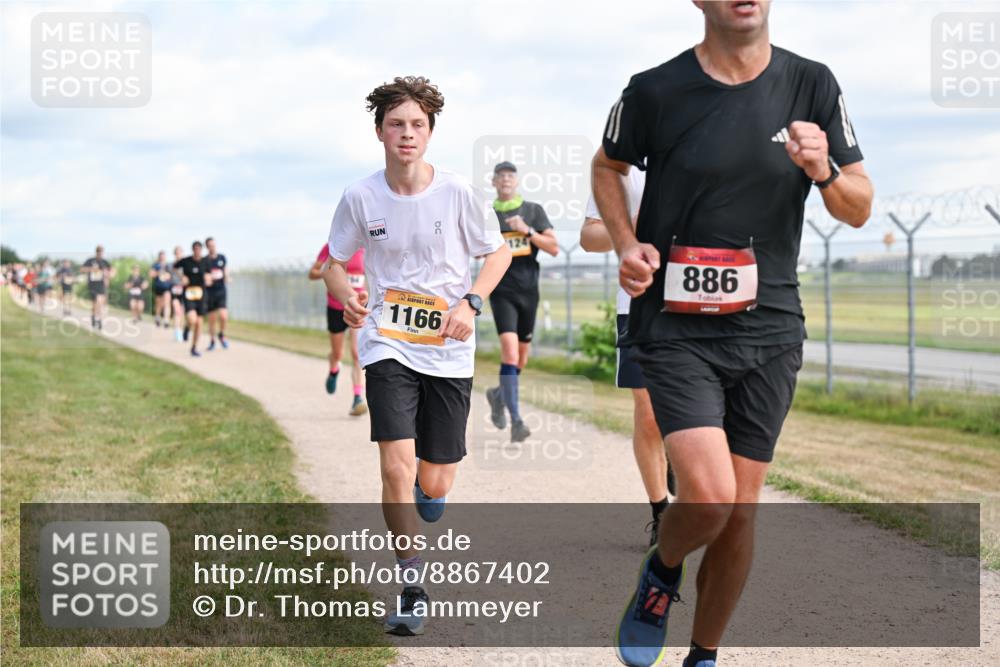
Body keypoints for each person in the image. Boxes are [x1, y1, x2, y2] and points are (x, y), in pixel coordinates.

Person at [593, 3, 874, 666]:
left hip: (771, 327)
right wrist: (627, 245)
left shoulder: (813, 84)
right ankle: (663, 569)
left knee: (741, 511)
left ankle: (704, 655)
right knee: (712, 496)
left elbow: (859, 205)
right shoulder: (654, 89)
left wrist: (824, 170)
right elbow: (608, 168)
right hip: (675, 327)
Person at [324, 76, 510, 637]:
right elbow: (335, 260)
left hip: (448, 350)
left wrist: (471, 303)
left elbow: (496, 254)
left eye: (418, 125)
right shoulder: (360, 196)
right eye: (397, 124)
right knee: (394, 467)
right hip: (386, 341)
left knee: (436, 480)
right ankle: (411, 584)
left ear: (431, 132)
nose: (407, 134)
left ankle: (432, 492)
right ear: (380, 130)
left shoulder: (458, 193)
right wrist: (347, 295)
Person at [580, 167, 675, 547]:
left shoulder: (704, 142)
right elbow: (589, 237)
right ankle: (661, 512)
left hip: (699, 298)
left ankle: (678, 452)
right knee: (649, 411)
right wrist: (626, 228)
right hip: (639, 301)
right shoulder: (619, 164)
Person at [482, 162, 559, 443]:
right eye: (500, 177)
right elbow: (479, 252)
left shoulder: (532, 210)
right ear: (494, 182)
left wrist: (527, 231)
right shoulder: (488, 215)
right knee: (510, 355)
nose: (505, 181)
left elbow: (553, 247)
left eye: (510, 176)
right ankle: (517, 421)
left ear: (516, 181)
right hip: (501, 291)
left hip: (529, 292)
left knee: (521, 359)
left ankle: (498, 395)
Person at [309, 244, 368, 415]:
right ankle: (334, 369)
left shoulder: (366, 248)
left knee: (357, 353)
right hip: (335, 307)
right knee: (338, 354)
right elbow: (312, 273)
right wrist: (329, 273)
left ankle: (358, 398)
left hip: (357, 307)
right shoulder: (332, 246)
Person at [177, 241, 212, 357]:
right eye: (195, 249)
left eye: (199, 249)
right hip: (189, 293)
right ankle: (187, 327)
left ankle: (194, 347)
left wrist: (208, 279)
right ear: (192, 250)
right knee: (192, 319)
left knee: (199, 323)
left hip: (201, 294)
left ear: (201, 250)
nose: (197, 251)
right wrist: (182, 277)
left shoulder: (206, 261)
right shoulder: (186, 261)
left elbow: (209, 275)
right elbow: (174, 267)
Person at [204, 237, 230, 351]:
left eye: (214, 245)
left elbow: (226, 271)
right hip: (210, 292)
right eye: (210, 245)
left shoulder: (222, 258)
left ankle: (222, 334)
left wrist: (227, 277)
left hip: (221, 291)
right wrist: (207, 279)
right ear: (207, 247)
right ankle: (212, 340)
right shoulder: (205, 261)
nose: (212, 247)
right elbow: (205, 275)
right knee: (212, 319)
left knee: (224, 316)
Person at [80, 246, 114, 329]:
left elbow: (112, 270)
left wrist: (109, 275)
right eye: (98, 251)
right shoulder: (90, 261)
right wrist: (91, 269)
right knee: (95, 303)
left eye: (101, 251)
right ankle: (94, 317)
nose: (100, 253)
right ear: (96, 252)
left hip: (101, 284)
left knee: (100, 302)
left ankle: (98, 318)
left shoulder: (105, 262)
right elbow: (82, 269)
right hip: (92, 284)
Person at [150, 250, 173, 328]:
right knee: (159, 304)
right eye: (161, 256)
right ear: (159, 257)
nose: (162, 257)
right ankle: (158, 317)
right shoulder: (155, 265)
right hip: (158, 287)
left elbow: (172, 275)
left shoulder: (169, 265)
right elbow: (151, 274)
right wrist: (158, 273)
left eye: (163, 256)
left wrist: (169, 276)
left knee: (167, 303)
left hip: (167, 287)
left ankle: (166, 320)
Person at [169, 246, 187, 342]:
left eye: (180, 252)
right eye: (177, 253)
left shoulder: (186, 264)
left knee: (183, 312)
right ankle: (177, 331)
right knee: (177, 310)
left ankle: (180, 329)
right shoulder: (171, 265)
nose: (178, 254)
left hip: (184, 289)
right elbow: (166, 275)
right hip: (174, 289)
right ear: (174, 254)